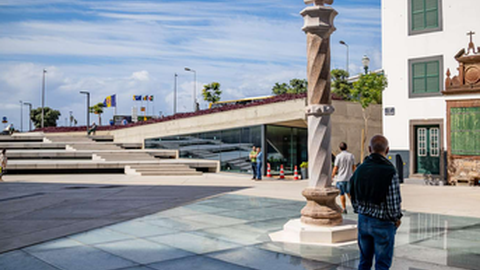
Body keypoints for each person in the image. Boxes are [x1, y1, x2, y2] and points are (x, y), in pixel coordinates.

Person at [350, 135, 402, 270]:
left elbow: (352, 192)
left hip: (363, 220)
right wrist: (396, 218)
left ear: (369, 149)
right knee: (382, 264)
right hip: (382, 223)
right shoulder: (390, 171)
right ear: (387, 150)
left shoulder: (360, 169)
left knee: (364, 261)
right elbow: (393, 202)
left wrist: (359, 209)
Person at [331, 142, 356, 214]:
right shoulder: (351, 156)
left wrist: (332, 175)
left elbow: (336, 167)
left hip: (341, 178)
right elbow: (354, 167)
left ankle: (344, 208)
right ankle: (354, 206)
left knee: (342, 194)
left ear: (339, 148)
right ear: (347, 147)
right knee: (349, 193)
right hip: (349, 178)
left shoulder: (338, 156)